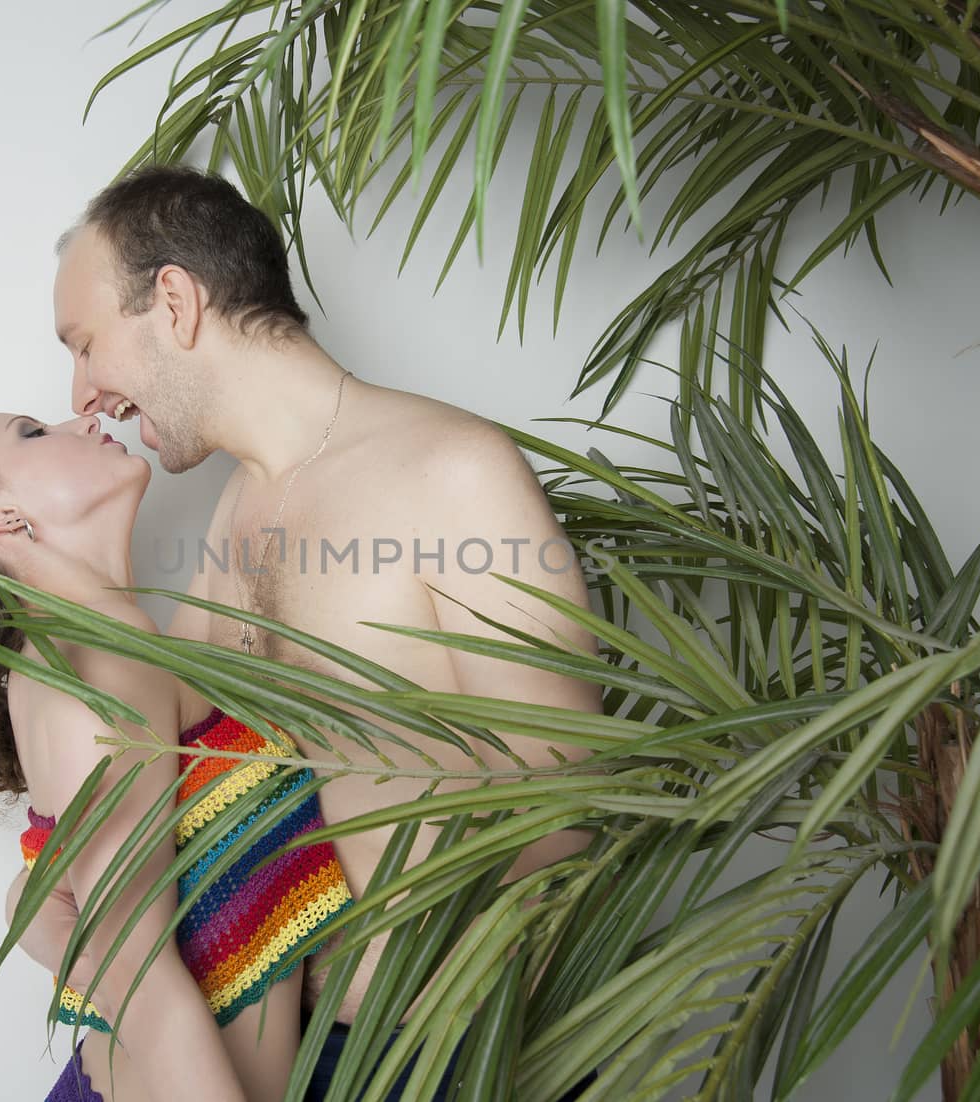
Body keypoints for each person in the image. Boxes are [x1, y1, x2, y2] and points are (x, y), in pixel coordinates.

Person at [49, 166, 604, 1099]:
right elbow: (158, 740)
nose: (80, 393)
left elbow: (567, 813)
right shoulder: (237, 512)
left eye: (85, 344)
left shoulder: (451, 472)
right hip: (277, 1048)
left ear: (175, 302)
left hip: (431, 1057)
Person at [0, 411, 354, 1102]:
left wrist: (40, 920)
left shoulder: (91, 652)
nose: (82, 417)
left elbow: (57, 904)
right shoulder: (96, 665)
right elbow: (139, 978)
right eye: (32, 433)